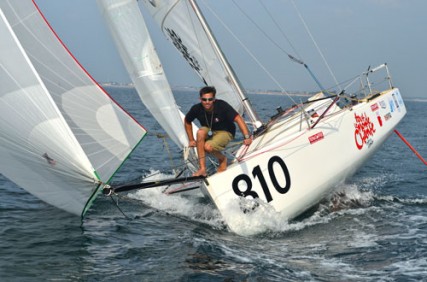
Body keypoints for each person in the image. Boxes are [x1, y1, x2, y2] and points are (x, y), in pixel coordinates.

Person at [184, 86, 252, 176]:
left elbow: (238, 119)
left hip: (226, 131)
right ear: (200, 99)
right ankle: (202, 169)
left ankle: (222, 159)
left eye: (210, 99)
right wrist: (191, 140)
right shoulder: (196, 108)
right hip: (210, 130)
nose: (207, 102)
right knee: (200, 132)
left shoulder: (222, 105)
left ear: (214, 99)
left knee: (207, 147)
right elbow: (187, 121)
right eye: (204, 99)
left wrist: (247, 137)